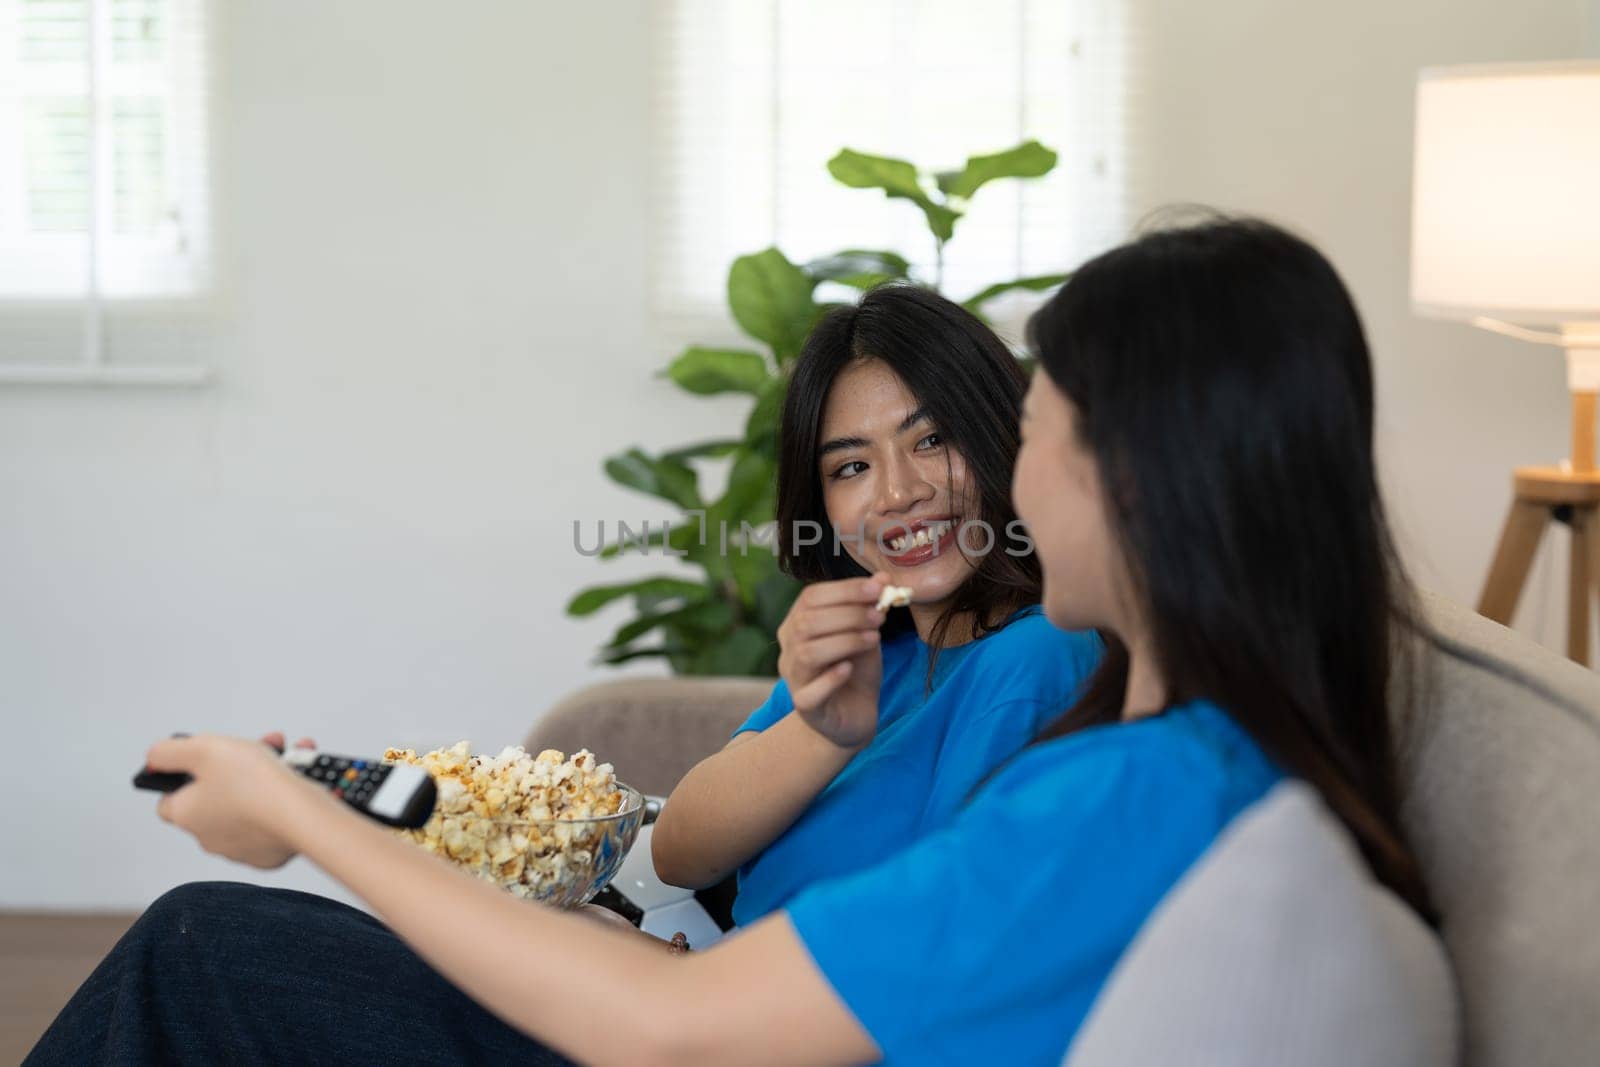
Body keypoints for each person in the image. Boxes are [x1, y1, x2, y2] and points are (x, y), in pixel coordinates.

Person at [27, 217, 1437, 1067]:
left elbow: (676, 1026)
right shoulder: (1172, 754)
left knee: (205, 949)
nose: (979, 484)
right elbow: (692, 864)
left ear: (1137, 474)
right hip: (698, 996)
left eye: (1028, 431)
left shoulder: (1115, 770)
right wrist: (808, 727)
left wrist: (291, 812)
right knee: (226, 954)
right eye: (849, 464)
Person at [651, 284, 1101, 924]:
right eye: (851, 468)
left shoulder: (1035, 657)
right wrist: (821, 734)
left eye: (932, 439)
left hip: (774, 1016)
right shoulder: (873, 649)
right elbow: (678, 852)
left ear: (1004, 436)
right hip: (717, 986)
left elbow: (941, 939)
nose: (897, 493)